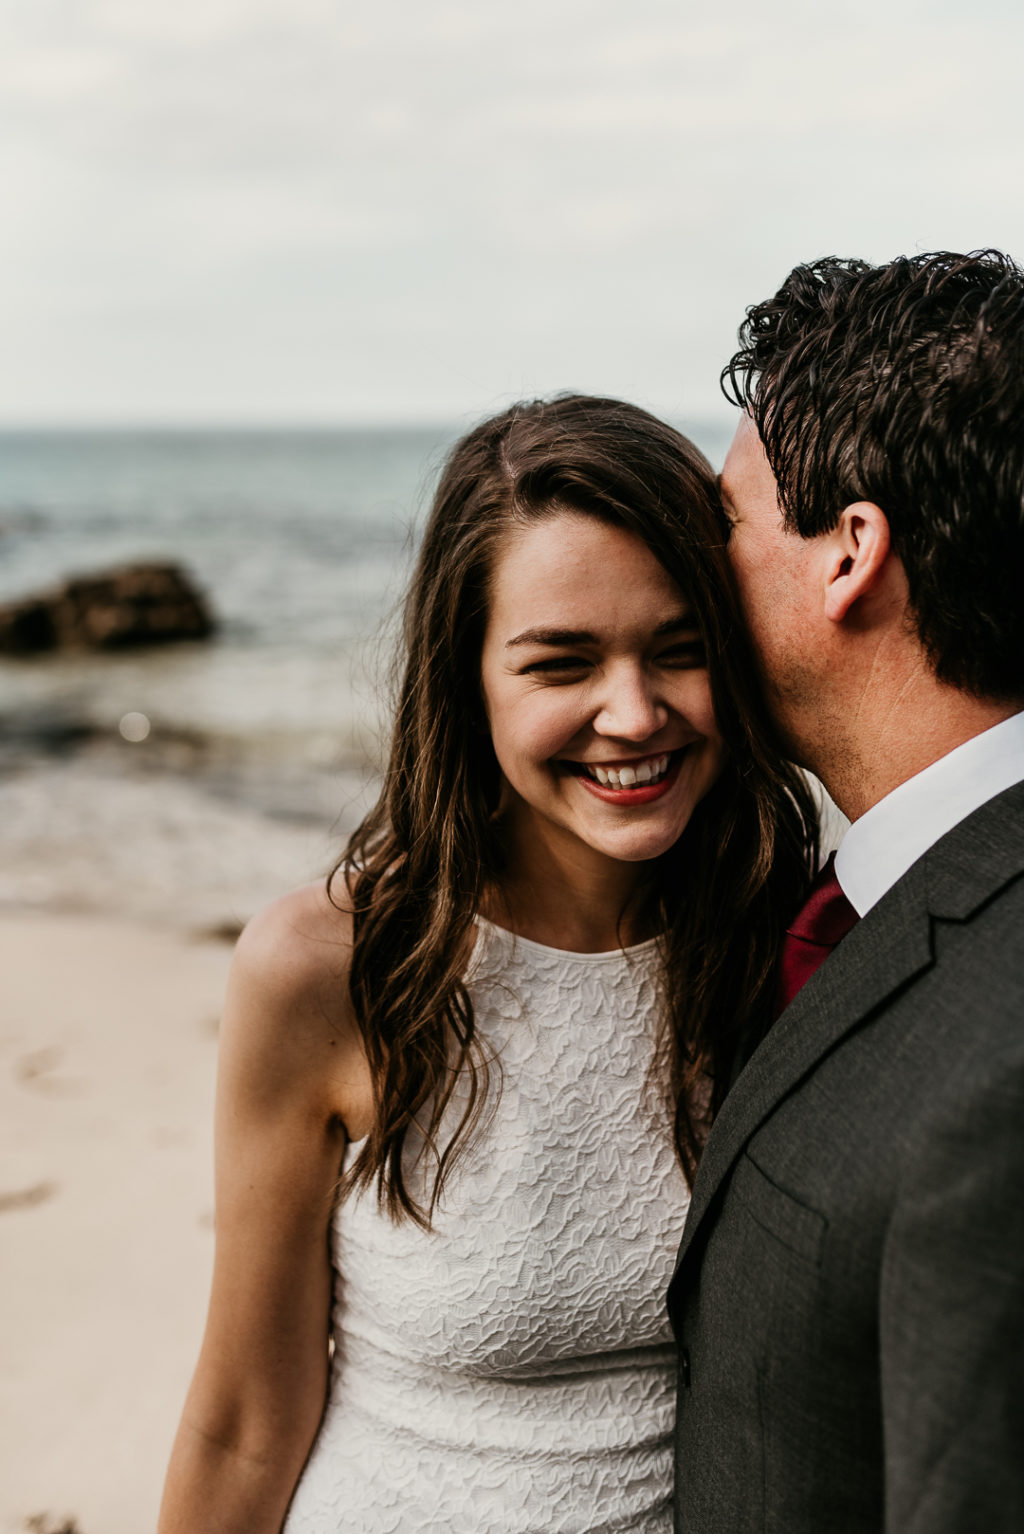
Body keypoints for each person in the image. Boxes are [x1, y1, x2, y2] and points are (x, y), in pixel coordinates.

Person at [158, 394, 816, 1533]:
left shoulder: (791, 942)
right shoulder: (329, 970)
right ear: (465, 684)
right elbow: (245, 1417)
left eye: (680, 648)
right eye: (561, 662)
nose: (633, 712)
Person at [669, 250, 1024, 1532]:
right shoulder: (866, 901)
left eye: (723, 524)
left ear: (848, 555)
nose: (692, 574)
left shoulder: (1002, 1058)